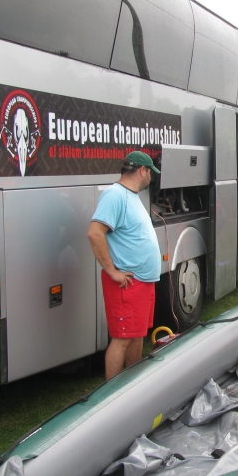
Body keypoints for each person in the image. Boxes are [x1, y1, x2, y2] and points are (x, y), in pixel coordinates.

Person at [88, 151, 162, 380]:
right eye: (150, 172)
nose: (151, 177)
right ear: (142, 170)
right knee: (122, 338)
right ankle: (112, 394)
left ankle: (132, 385)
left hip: (142, 281)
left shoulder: (131, 196)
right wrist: (112, 271)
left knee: (137, 335)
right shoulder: (115, 195)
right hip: (128, 283)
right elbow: (94, 233)